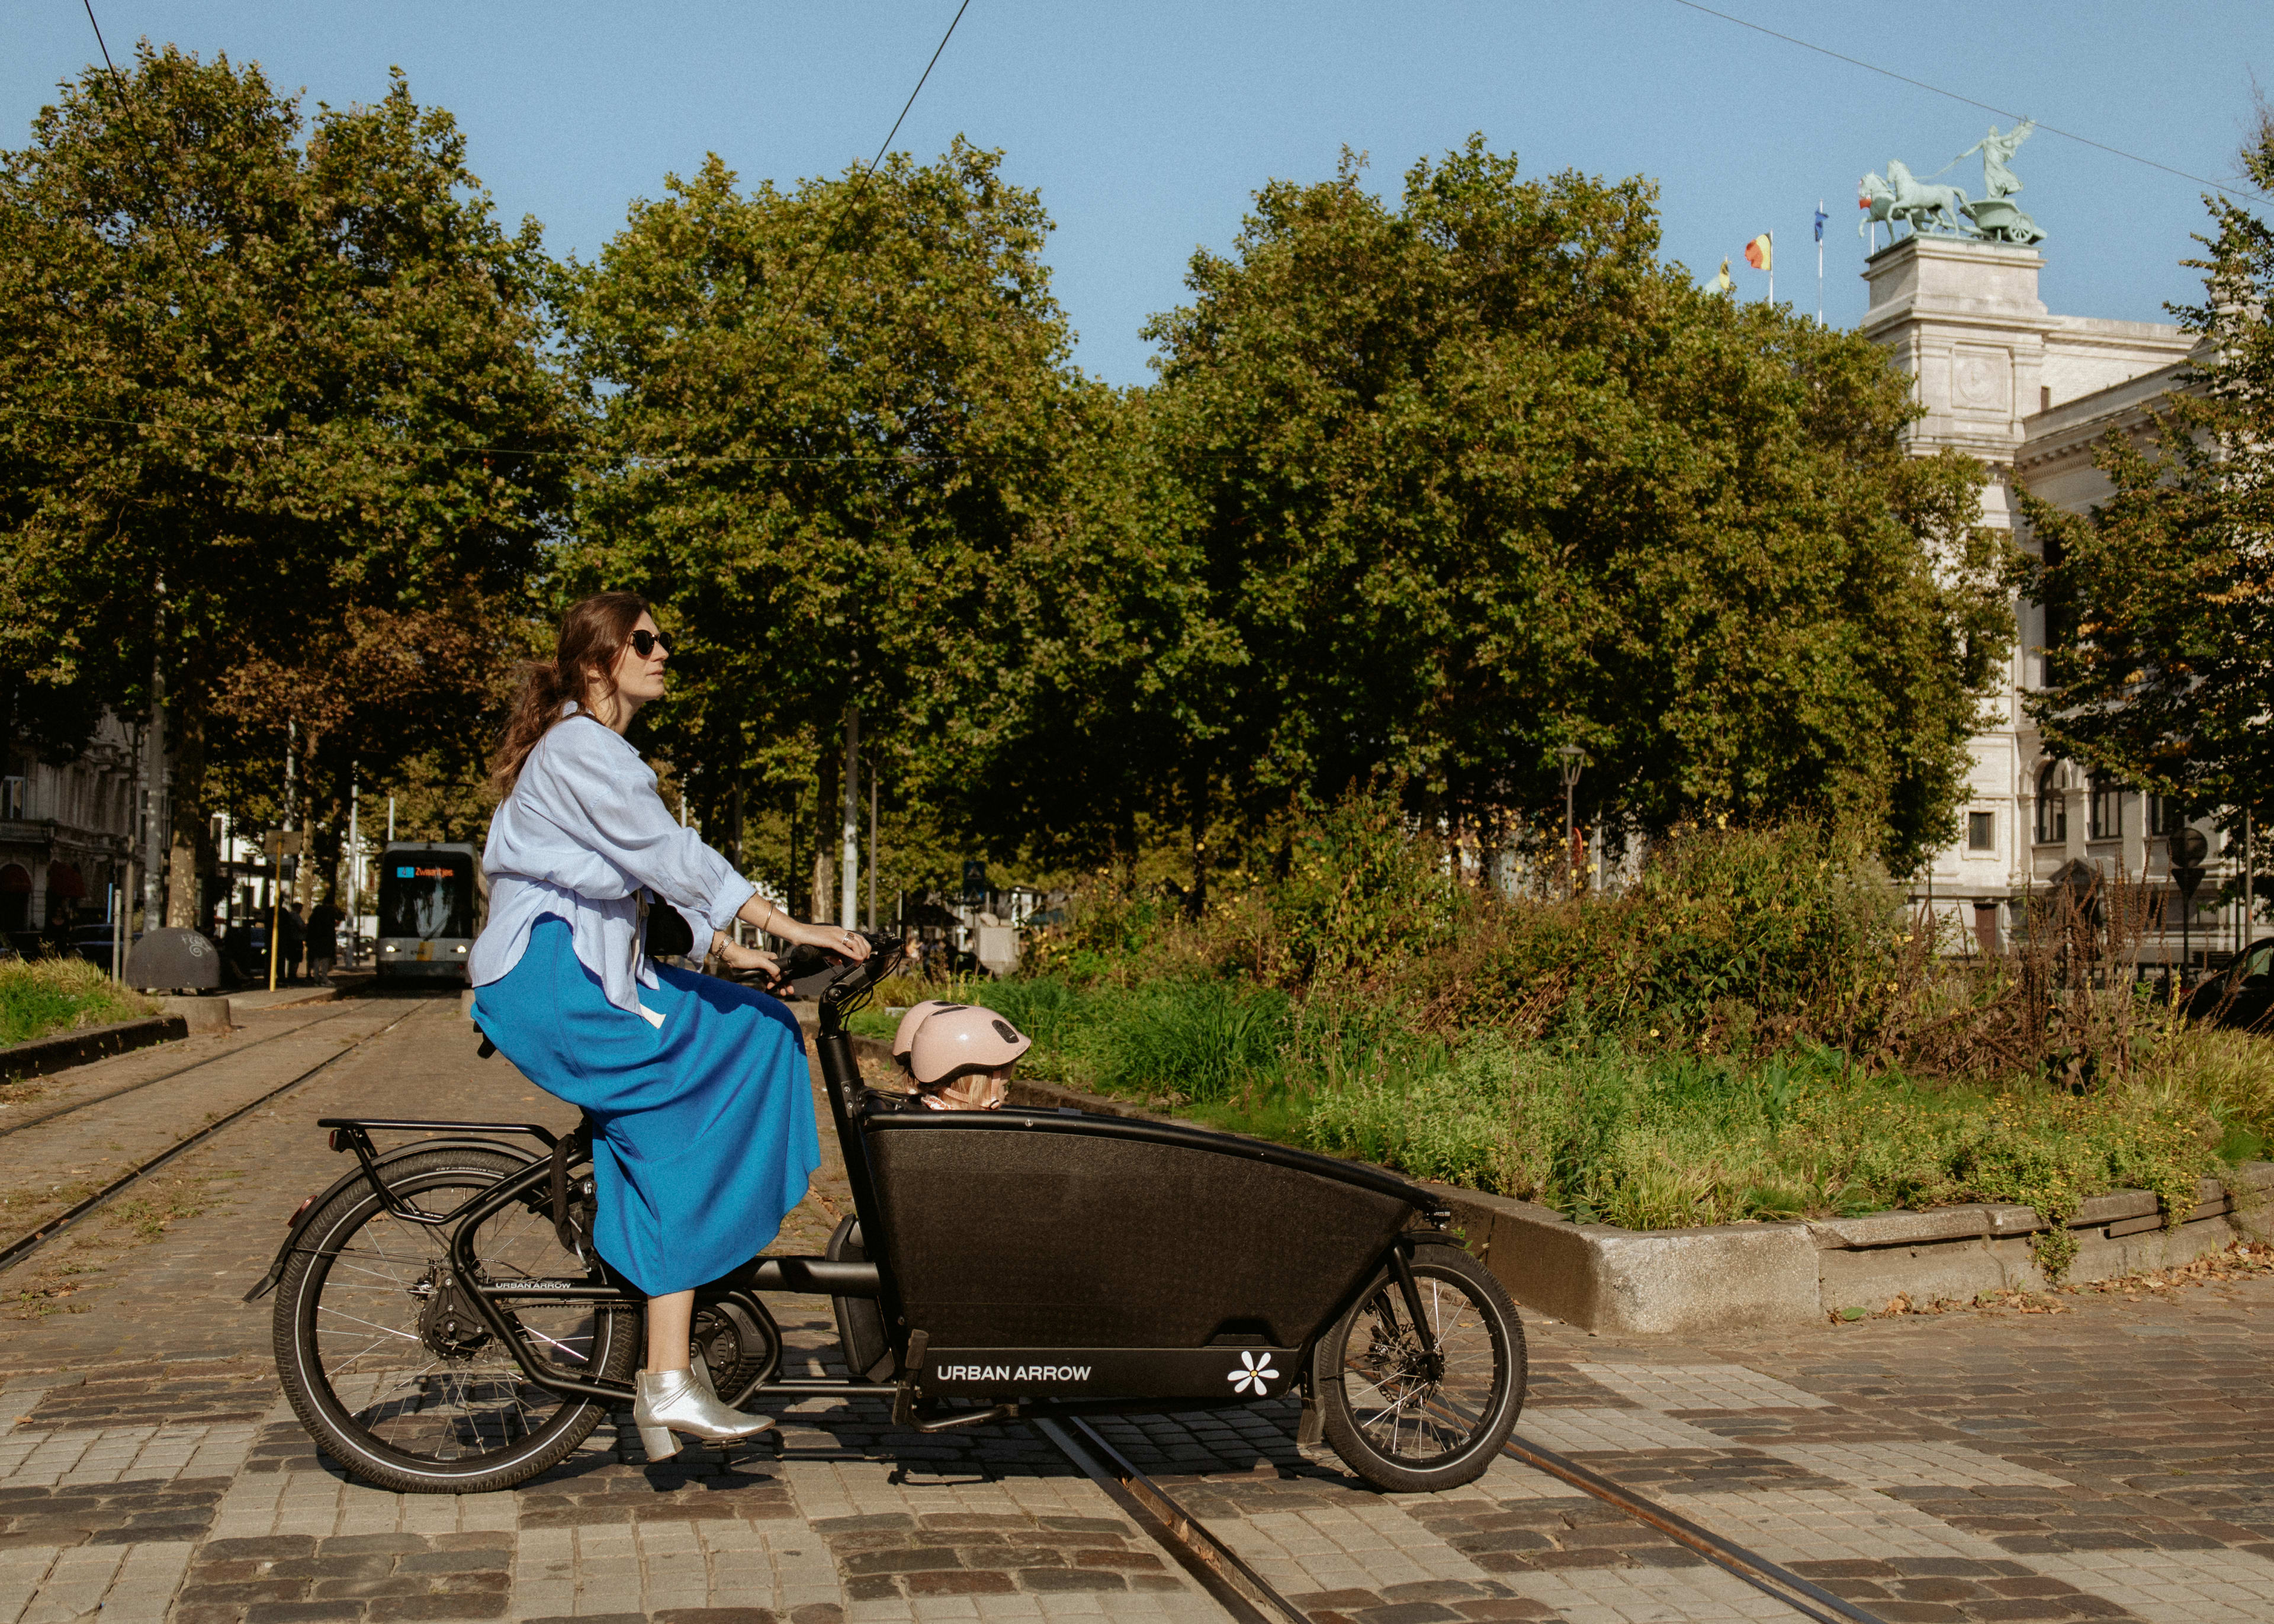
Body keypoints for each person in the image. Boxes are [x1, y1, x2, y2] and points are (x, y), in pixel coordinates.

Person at [468, 591, 869, 1462]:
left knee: (756, 1028)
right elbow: (671, 857)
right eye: (642, 641)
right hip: (555, 980)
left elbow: (627, 881)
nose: (661, 652)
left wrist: (727, 949)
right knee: (716, 1082)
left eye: (662, 639)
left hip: (572, 972)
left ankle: (666, 1373)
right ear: (594, 662)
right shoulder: (584, 747)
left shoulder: (589, 752)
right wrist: (793, 927)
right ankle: (668, 1372)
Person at [305, 898, 341, 982]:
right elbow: (340, 917)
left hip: (314, 939)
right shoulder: (330, 913)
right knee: (325, 959)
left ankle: (316, 977)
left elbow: (309, 928)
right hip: (326, 939)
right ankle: (324, 977)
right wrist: (337, 909)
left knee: (316, 958)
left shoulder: (314, 915)